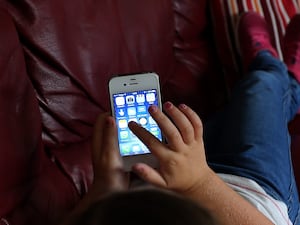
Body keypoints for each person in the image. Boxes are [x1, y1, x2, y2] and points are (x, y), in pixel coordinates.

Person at [60, 11, 300, 225]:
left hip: (174, 168)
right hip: (248, 194)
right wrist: (199, 183)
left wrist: (105, 189)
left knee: (219, 116)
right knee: (263, 84)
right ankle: (278, 68)